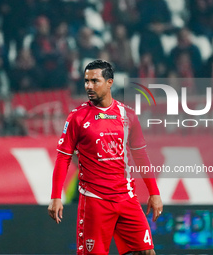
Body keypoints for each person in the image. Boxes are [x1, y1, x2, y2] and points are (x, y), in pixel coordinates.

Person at [48, 60, 163, 255]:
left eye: (94, 81)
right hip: (95, 200)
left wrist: (154, 192)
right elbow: (63, 158)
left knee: (147, 252)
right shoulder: (77, 118)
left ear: (110, 82)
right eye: (86, 81)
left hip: (126, 197)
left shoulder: (128, 115)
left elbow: (141, 155)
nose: (88, 86)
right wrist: (55, 197)